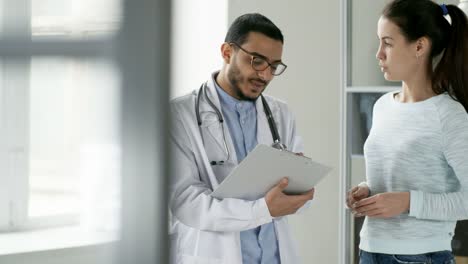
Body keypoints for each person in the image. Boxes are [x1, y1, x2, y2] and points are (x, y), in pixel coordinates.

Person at [169, 13, 314, 264]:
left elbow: (295, 195)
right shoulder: (179, 115)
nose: (266, 75)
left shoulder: (279, 113)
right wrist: (263, 209)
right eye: (257, 61)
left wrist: (298, 185)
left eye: (274, 66)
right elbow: (186, 202)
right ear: (227, 52)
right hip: (214, 256)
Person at [346, 0, 468, 263]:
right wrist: (368, 191)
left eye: (388, 43)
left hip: (421, 255)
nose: (378, 53)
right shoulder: (382, 107)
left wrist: (407, 202)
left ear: (420, 46)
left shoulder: (449, 115)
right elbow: (401, 175)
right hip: (370, 250)